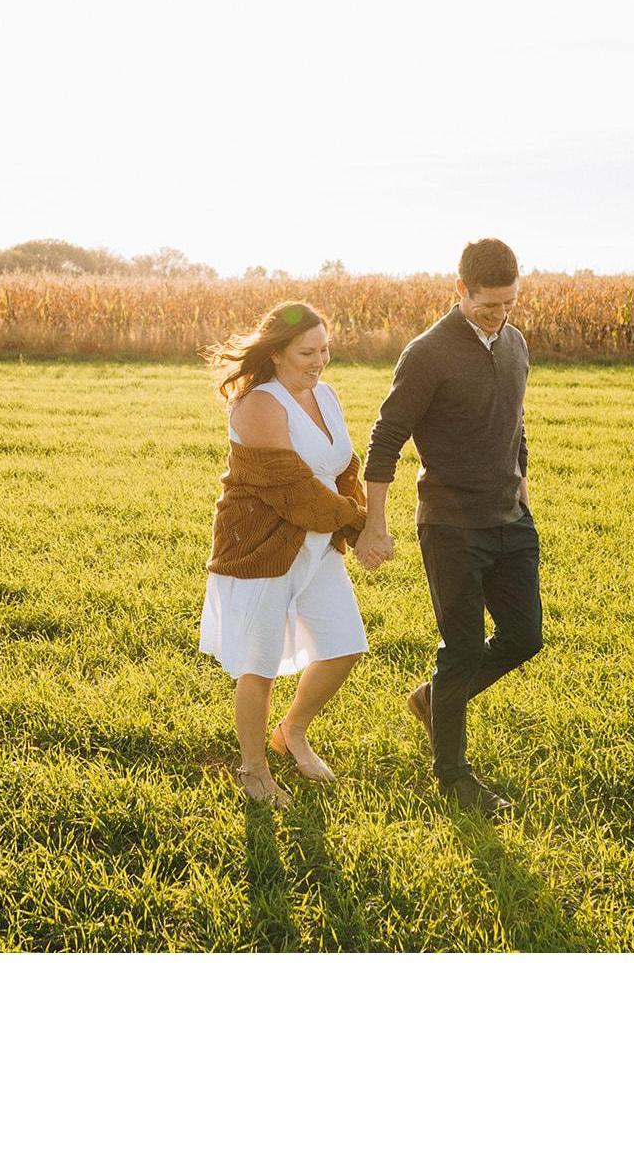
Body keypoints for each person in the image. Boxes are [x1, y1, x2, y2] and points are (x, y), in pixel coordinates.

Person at [357, 238, 542, 817]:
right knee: (461, 647)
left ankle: (432, 700)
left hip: (510, 518)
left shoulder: (515, 343)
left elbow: (514, 427)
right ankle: (454, 778)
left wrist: (524, 496)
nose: (500, 315)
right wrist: (374, 526)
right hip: (451, 524)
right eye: (489, 305)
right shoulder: (428, 354)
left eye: (509, 303)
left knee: (525, 636)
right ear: (459, 291)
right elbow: (386, 440)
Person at [200, 301, 376, 808]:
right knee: (259, 665)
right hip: (261, 545)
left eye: (325, 350)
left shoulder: (326, 395)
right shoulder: (258, 405)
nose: (319, 361)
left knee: (344, 645)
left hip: (317, 542)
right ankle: (253, 770)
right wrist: (360, 523)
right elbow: (292, 488)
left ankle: (291, 731)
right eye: (307, 352)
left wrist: (353, 512)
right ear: (276, 353)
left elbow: (343, 464)